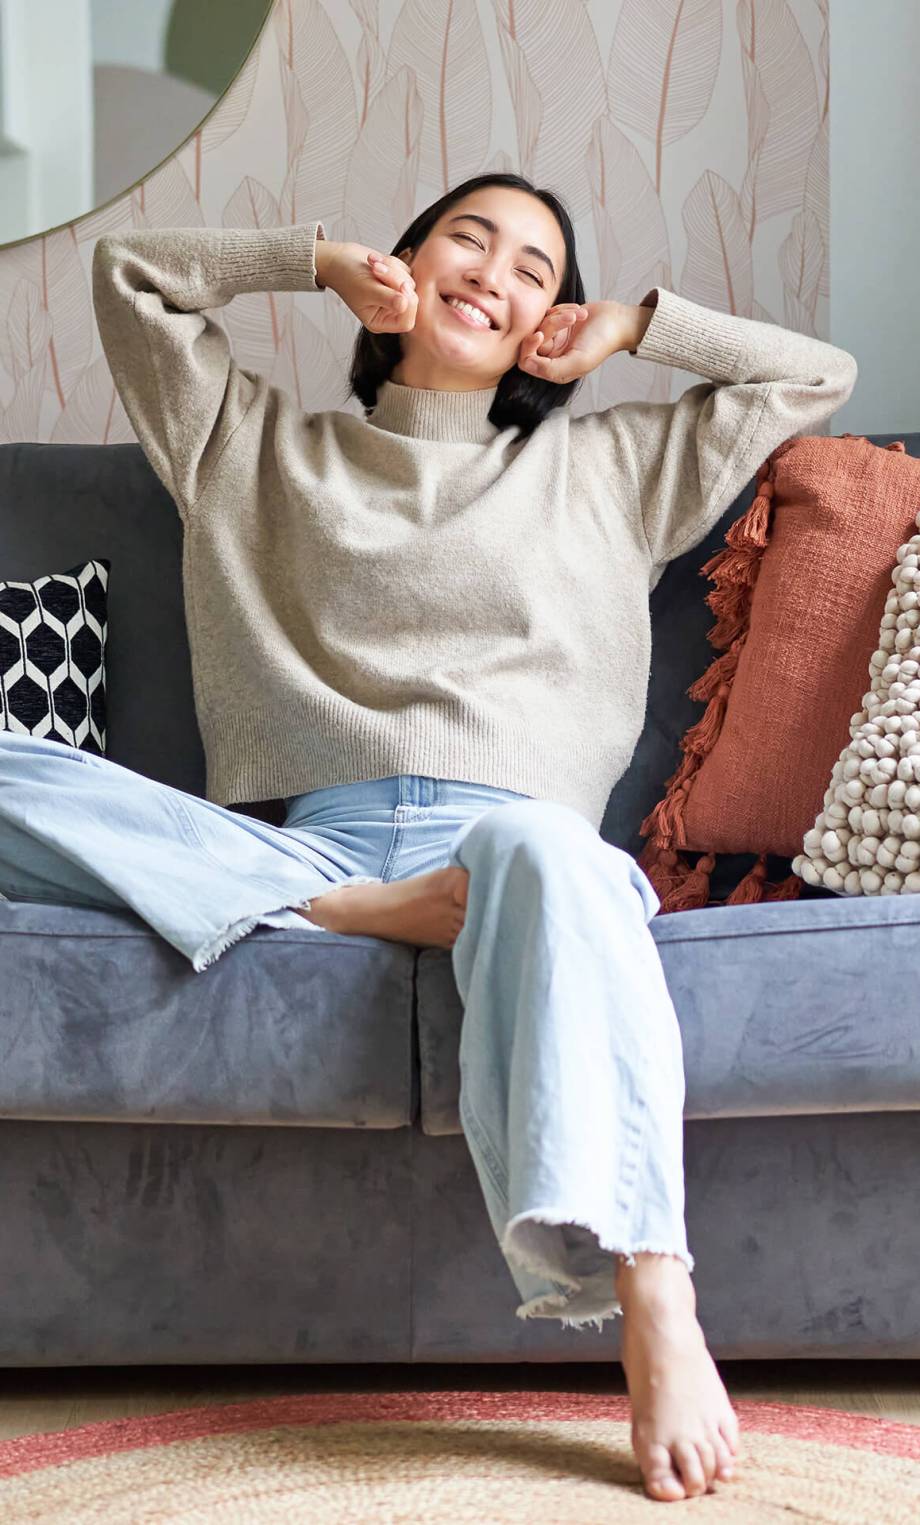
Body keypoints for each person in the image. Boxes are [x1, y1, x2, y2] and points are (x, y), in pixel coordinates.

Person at [0, 171, 858, 1502]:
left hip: (516, 856)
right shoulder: (249, 443)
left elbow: (817, 375)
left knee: (552, 856)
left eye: (536, 267)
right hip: (308, 854)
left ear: (548, 323)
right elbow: (131, 276)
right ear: (403, 266)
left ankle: (655, 1294)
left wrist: (634, 325)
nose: (498, 272)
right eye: (471, 237)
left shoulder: (612, 469)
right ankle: (332, 911)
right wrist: (313, 257)